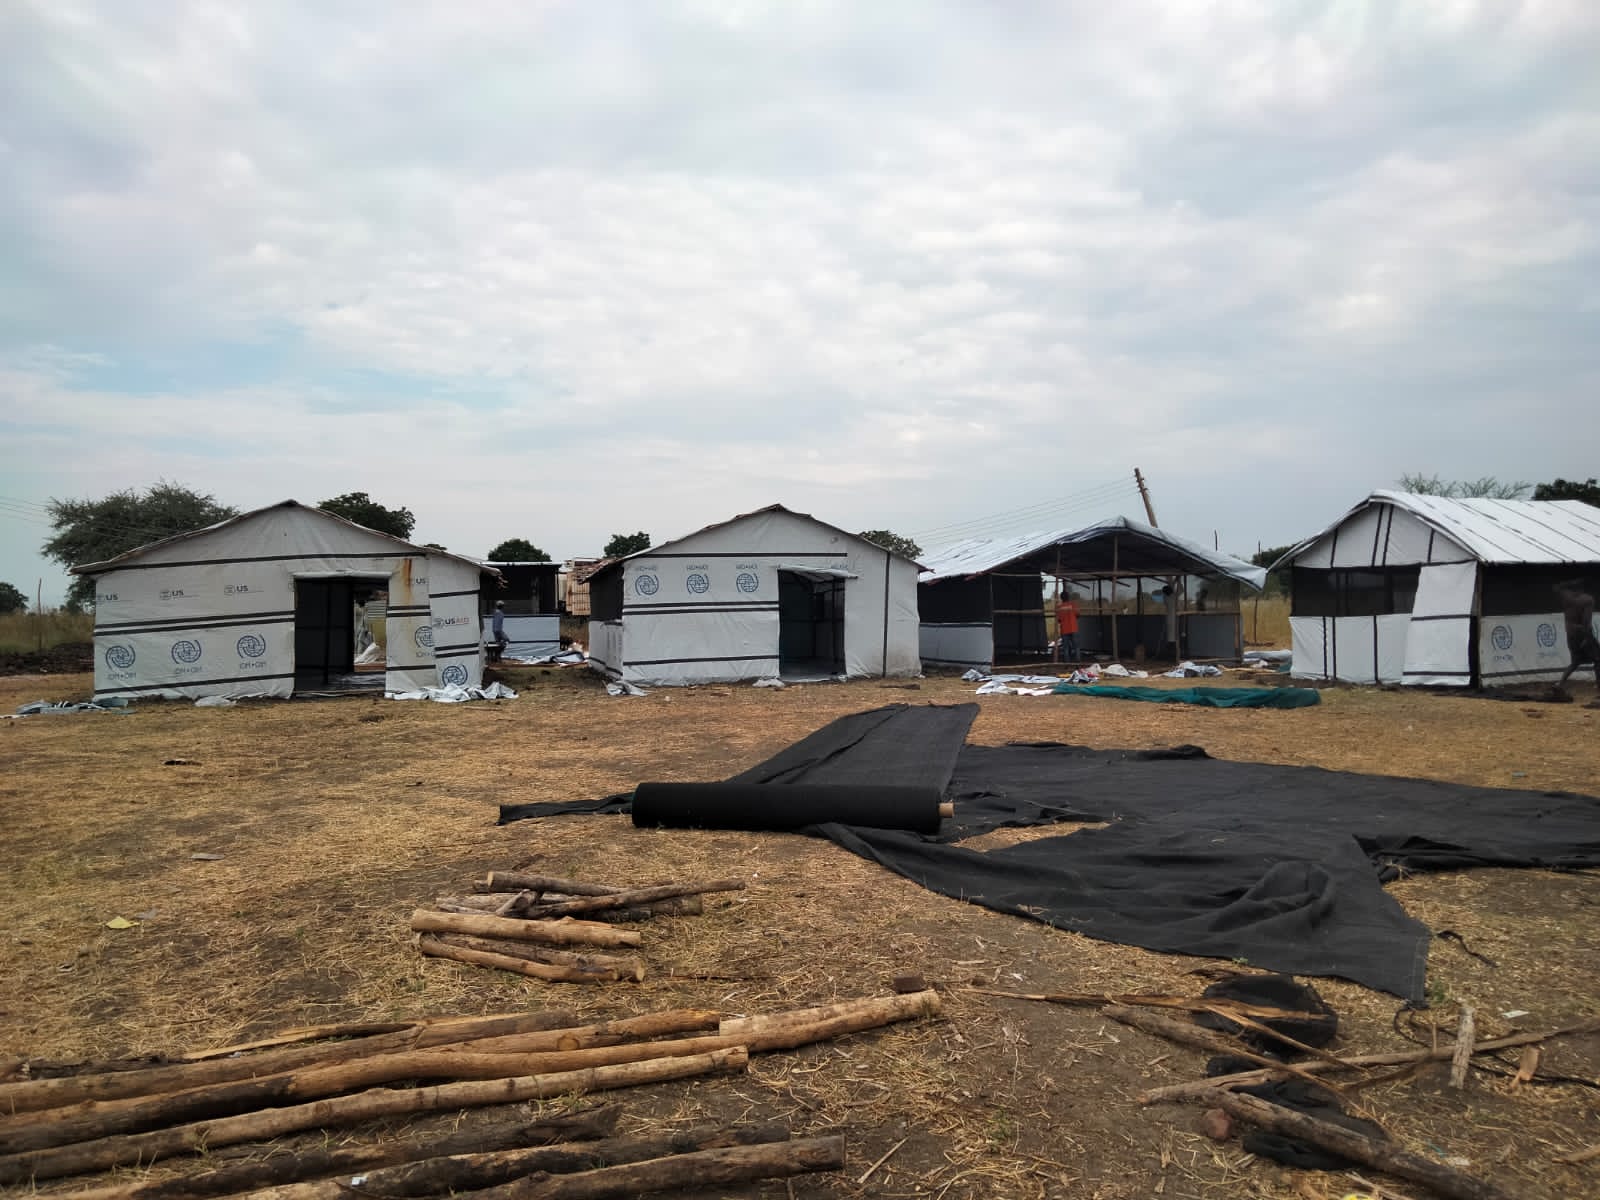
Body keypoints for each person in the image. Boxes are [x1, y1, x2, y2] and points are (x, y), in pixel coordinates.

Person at [1555, 579, 1599, 689]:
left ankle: (1560, 683)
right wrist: (1587, 637)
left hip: (1570, 634)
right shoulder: (1587, 599)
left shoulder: (1566, 596)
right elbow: (1586, 622)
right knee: (1598, 659)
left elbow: (1556, 587)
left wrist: (1567, 583)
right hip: (1582, 633)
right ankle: (1599, 685)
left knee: (1575, 662)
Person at [1055, 593, 1080, 664]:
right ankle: (1078, 663)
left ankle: (1067, 664)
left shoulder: (1059, 607)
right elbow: (1078, 614)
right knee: (1076, 647)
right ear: (1068, 597)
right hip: (1073, 628)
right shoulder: (1073, 605)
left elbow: (1059, 620)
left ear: (1061, 598)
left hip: (1064, 630)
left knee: (1065, 648)